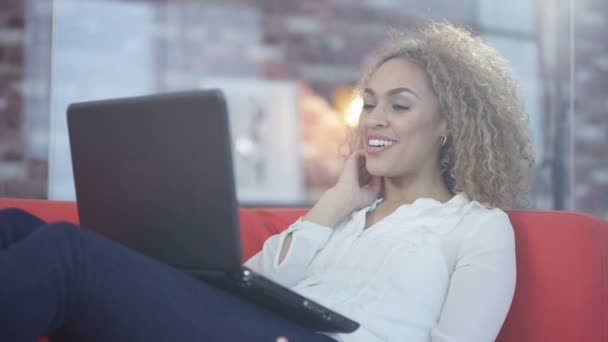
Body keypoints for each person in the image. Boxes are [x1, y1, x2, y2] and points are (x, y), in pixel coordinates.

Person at [0, 21, 533, 342]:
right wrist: (337, 201)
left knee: (67, 253)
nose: (375, 118)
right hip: (259, 328)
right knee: (17, 228)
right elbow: (253, 281)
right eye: (369, 103)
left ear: (447, 126)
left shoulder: (477, 228)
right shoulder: (345, 215)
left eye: (399, 105)